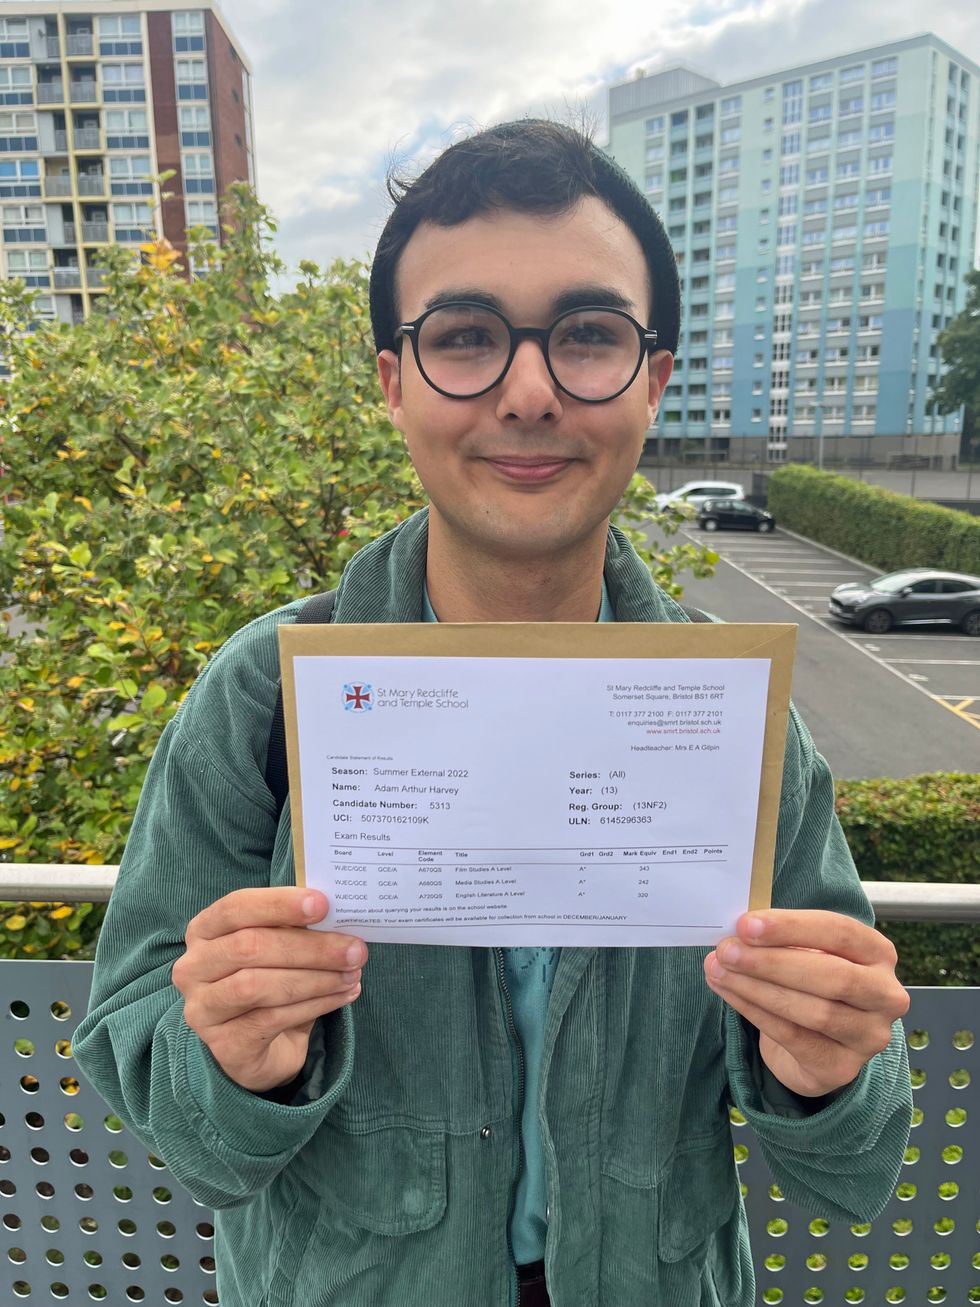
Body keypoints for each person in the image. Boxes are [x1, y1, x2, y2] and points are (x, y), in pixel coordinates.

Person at [73, 121, 911, 1307]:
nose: (528, 391)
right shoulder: (263, 696)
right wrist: (227, 1055)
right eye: (465, 337)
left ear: (652, 379)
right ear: (392, 381)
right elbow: (148, 1072)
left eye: (586, 336)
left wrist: (828, 1071)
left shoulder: (740, 723)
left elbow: (856, 1159)